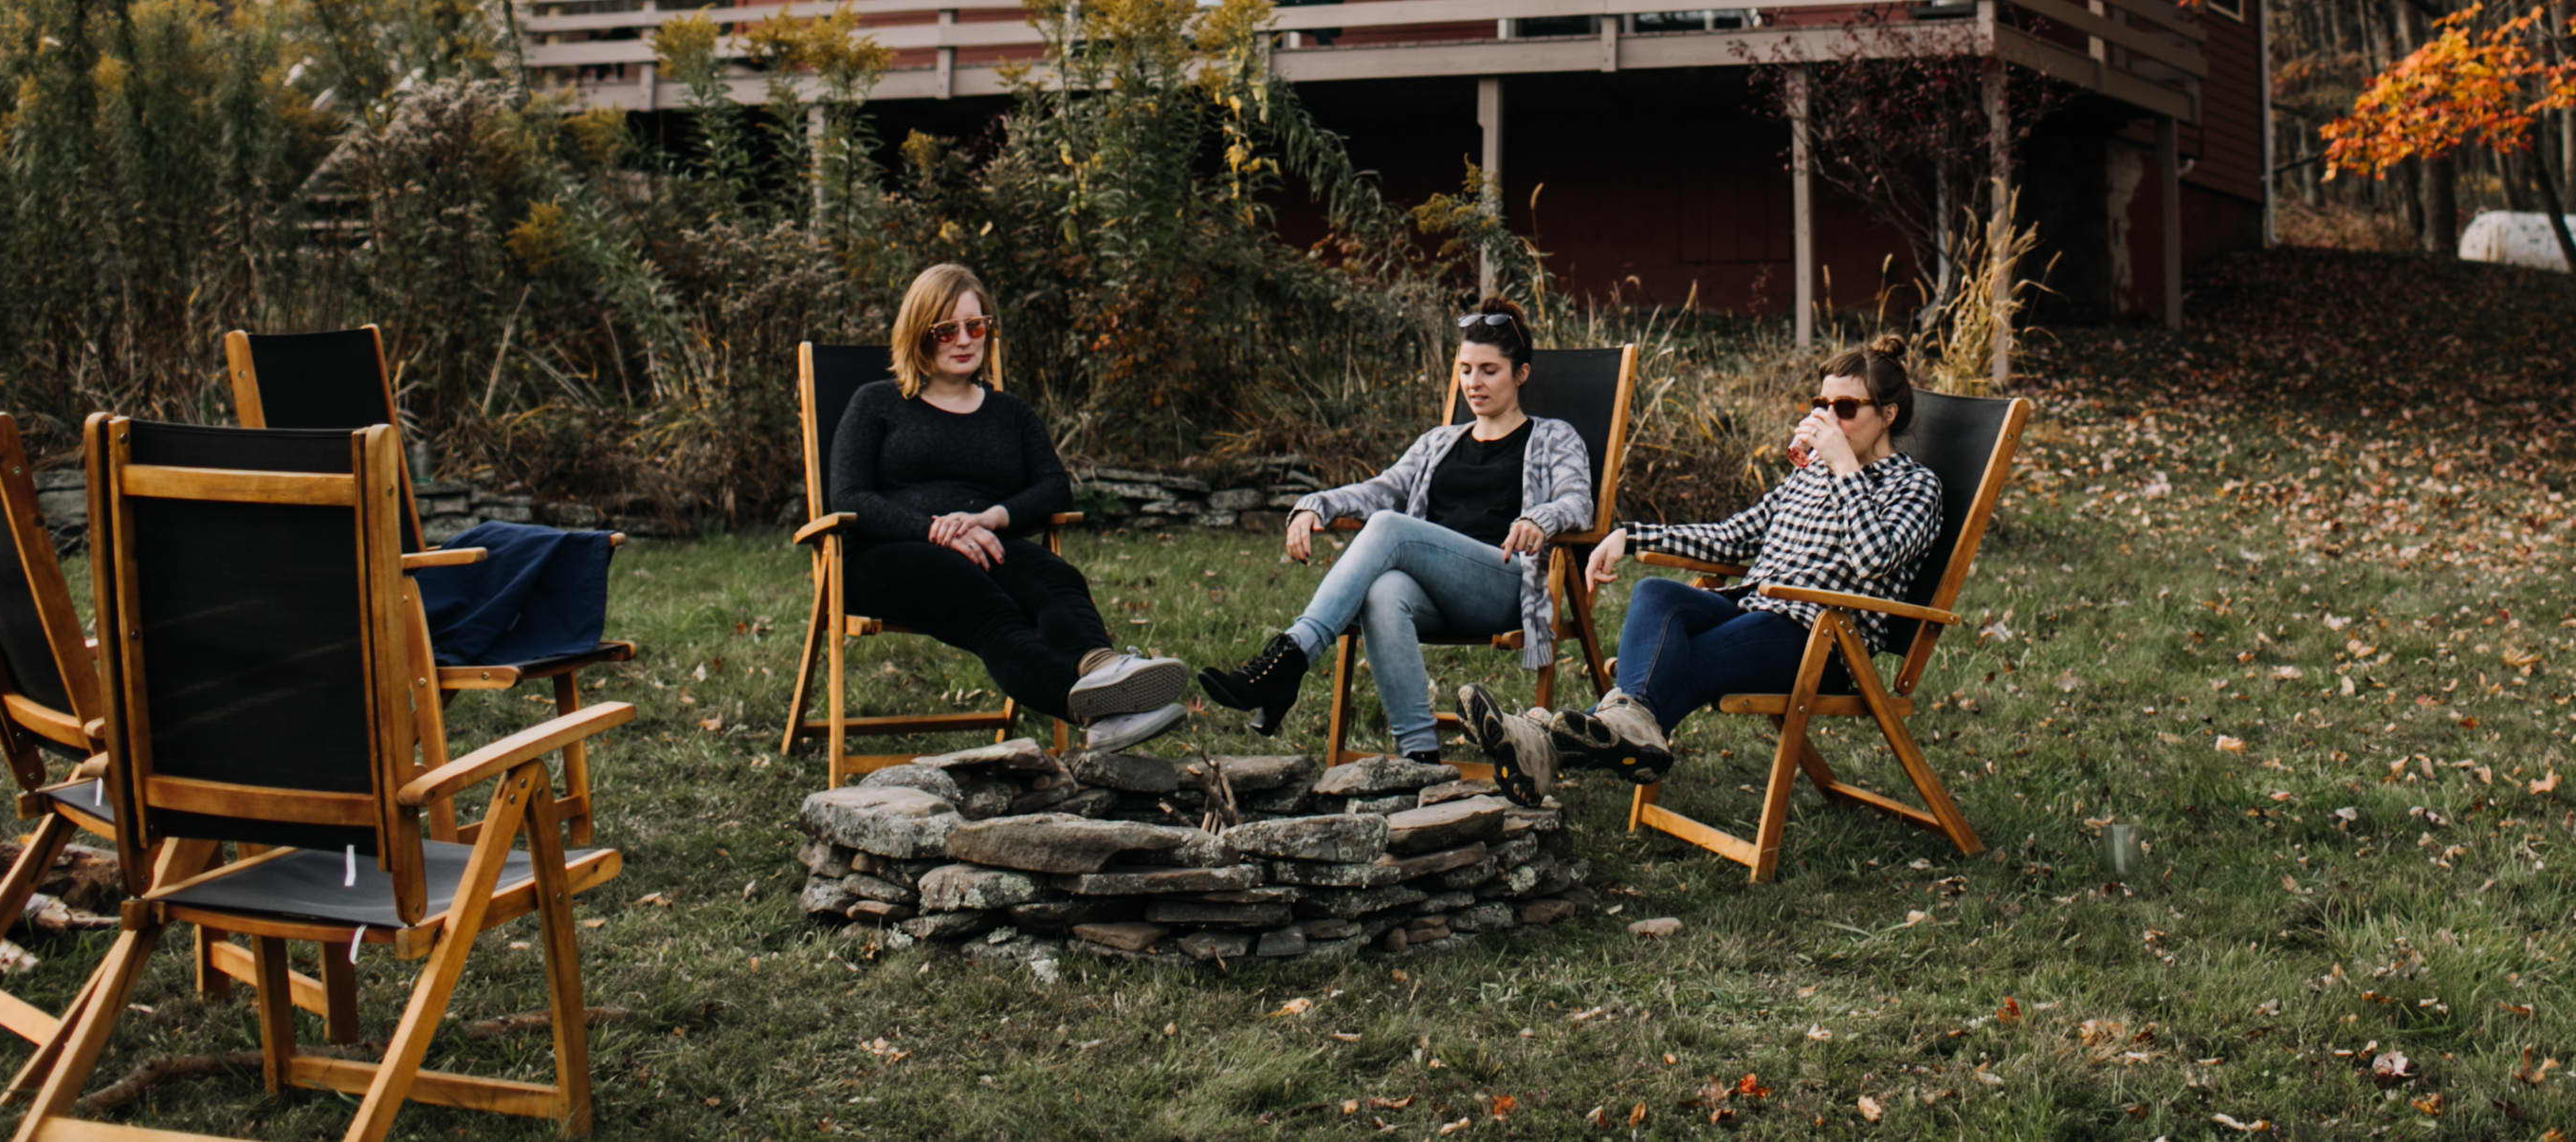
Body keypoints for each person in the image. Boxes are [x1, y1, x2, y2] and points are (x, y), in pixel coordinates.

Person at [1456, 335, 1941, 804]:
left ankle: (1540, 741)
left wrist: (1844, 470)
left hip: (1823, 639)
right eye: (1822, 404)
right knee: (1655, 594)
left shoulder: (1916, 487)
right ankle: (1617, 730)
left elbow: (1874, 559)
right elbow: (1734, 535)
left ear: (1888, 415)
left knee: (1679, 658)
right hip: (1756, 613)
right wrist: (1631, 536)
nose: (1829, 420)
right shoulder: (1810, 476)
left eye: (1847, 409)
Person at [1197, 305, 1595, 761]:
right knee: (1383, 589)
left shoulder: (1554, 438)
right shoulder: (1438, 442)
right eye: (1465, 369)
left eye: (1489, 370)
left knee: (1390, 528)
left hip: (1503, 585)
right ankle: (1419, 756)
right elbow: (1381, 490)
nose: (1474, 383)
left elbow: (1577, 503)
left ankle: (1288, 659)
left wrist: (1539, 519)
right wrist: (1315, 505)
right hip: (1438, 594)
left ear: (1520, 374)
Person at [828, 265, 1192, 751]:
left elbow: (1053, 488)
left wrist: (989, 518)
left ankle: (1104, 671)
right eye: (947, 330)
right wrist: (936, 530)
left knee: (1056, 577)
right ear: (919, 334)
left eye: (975, 326)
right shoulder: (876, 403)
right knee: (987, 606)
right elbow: (849, 497)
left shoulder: (1008, 411)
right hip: (888, 555)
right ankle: (1097, 710)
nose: (964, 340)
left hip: (987, 541)